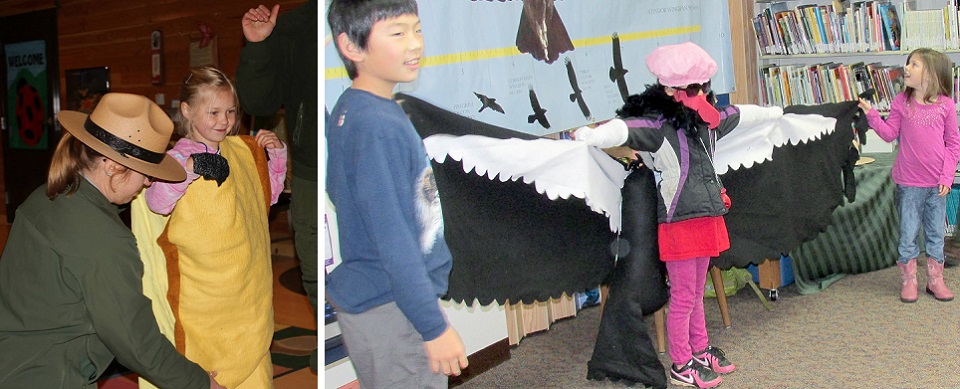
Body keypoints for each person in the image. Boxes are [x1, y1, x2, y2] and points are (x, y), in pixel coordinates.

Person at [0, 92, 224, 389]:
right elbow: (135, 341)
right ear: (111, 166)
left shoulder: (44, 196)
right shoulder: (105, 240)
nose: (148, 182)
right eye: (145, 172)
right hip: (49, 375)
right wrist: (200, 383)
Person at [574, 42, 749, 388]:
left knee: (697, 292)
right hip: (680, 222)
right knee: (684, 296)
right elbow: (626, 129)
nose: (701, 96)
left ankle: (699, 349)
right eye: (692, 88)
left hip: (706, 217)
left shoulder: (704, 121)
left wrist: (779, 115)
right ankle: (681, 362)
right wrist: (594, 135)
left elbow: (738, 116)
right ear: (670, 90)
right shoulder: (659, 125)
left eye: (703, 88)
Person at [326, 0, 469, 387]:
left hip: (388, 298)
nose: (414, 45)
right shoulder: (375, 125)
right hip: (392, 307)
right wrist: (432, 327)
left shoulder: (354, 108)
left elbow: (345, 195)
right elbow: (394, 240)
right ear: (351, 47)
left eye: (417, 29)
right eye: (397, 33)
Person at [136, 65, 288, 388]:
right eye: (214, 112)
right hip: (207, 308)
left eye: (231, 112)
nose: (224, 121)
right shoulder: (177, 158)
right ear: (188, 111)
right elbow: (157, 202)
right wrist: (191, 168)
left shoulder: (240, 152)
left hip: (248, 302)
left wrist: (276, 157)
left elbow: (266, 197)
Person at [236, 1, 320, 370]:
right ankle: (341, 347)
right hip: (312, 170)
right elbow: (258, 101)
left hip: (379, 157)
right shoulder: (294, 26)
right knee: (317, 270)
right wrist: (258, 46)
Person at [858, 47, 960, 303]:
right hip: (909, 184)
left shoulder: (946, 106)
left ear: (932, 75)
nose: (907, 68)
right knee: (908, 232)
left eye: (914, 64)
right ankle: (909, 280)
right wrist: (871, 115)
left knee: (936, 234)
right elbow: (889, 133)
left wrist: (947, 177)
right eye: (908, 63)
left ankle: (935, 280)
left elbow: (953, 144)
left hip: (937, 185)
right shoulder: (901, 103)